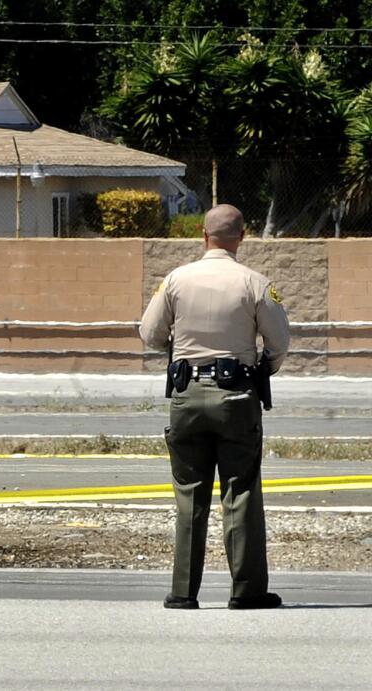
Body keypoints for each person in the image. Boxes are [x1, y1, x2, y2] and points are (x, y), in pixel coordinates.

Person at [139, 204, 291, 610]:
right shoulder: (255, 282)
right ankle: (247, 591)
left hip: (186, 395)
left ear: (203, 236)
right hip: (237, 398)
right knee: (240, 491)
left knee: (190, 494)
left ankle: (184, 592)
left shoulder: (175, 279)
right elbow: (279, 344)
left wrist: (180, 352)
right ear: (242, 237)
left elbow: (150, 333)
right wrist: (261, 372)